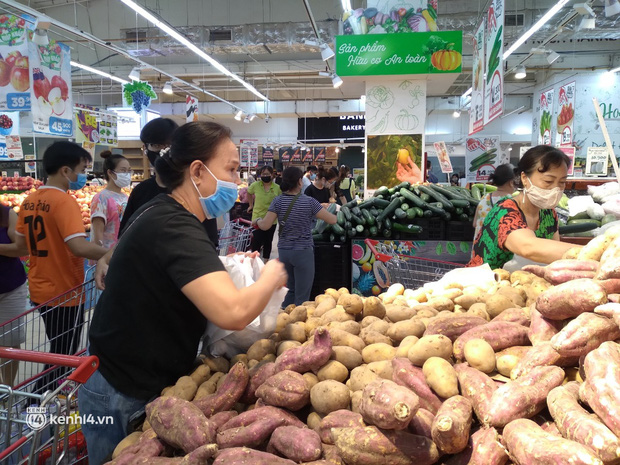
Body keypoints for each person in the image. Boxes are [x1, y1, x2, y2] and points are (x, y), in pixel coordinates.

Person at [79, 122, 287, 464]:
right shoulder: (174, 224)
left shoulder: (169, 212)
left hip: (134, 375)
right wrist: (272, 275)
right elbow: (232, 313)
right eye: (232, 170)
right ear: (197, 171)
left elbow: (173, 268)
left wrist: (228, 263)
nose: (237, 181)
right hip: (122, 389)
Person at [1, 142, 108, 393]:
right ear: (65, 171)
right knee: (64, 353)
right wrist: (115, 252)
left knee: (58, 348)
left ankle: (42, 399)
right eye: (82, 169)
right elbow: (78, 247)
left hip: (40, 288)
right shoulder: (63, 202)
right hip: (64, 290)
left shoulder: (30, 200)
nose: (83, 176)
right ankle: (36, 402)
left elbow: (22, 247)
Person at [469, 145, 577, 270]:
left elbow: (553, 255)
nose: (555, 188)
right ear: (525, 178)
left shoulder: (548, 214)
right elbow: (528, 247)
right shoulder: (504, 211)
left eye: (562, 182)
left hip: (525, 284)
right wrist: (593, 252)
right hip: (488, 285)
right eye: (548, 181)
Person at [253, 167, 337, 306]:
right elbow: (332, 220)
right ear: (299, 181)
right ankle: (299, 323)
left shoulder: (277, 201)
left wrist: (256, 220)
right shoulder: (309, 202)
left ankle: (285, 320)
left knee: (289, 291)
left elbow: (266, 225)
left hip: (285, 252)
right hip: (303, 252)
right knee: (302, 295)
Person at [0, 205, 27, 386]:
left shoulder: (6, 214)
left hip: (10, 288)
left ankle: (8, 390)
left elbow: (22, 249)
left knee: (9, 343)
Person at [90, 151, 130, 250]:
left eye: (129, 171)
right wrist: (101, 257)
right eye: (123, 170)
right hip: (106, 255)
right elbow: (98, 233)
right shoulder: (101, 198)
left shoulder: (126, 197)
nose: (127, 174)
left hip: (123, 253)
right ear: (110, 173)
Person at [472, 164, 516, 240]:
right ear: (511, 182)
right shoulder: (513, 203)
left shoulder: (484, 199)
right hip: (498, 250)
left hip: (480, 249)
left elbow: (475, 223)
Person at [247, 166, 281, 259]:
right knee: (256, 241)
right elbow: (249, 192)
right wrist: (251, 205)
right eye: (263, 174)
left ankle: (265, 262)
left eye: (267, 174)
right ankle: (254, 262)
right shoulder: (255, 185)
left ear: (272, 175)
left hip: (272, 219)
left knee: (268, 241)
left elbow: (281, 201)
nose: (265, 176)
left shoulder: (277, 188)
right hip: (257, 218)